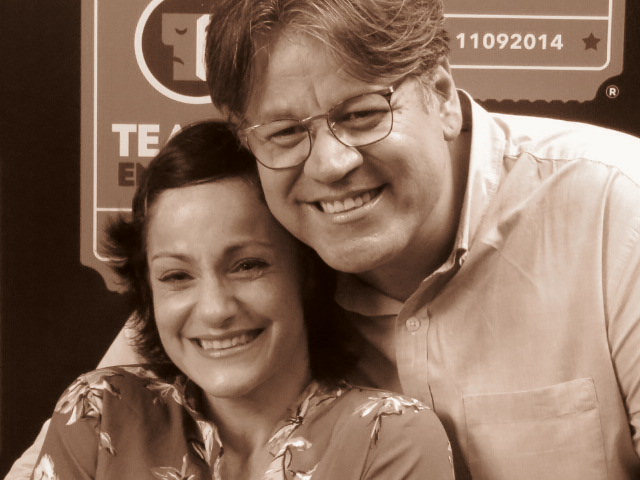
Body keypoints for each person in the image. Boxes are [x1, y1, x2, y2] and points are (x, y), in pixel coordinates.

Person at [8, 0, 640, 479]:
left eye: (363, 114)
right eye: (285, 133)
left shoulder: (617, 208)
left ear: (443, 96)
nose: (332, 164)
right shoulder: (262, 244)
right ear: (250, 144)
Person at [26, 122, 453, 479]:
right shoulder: (98, 411)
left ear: (307, 274)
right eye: (177, 276)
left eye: (247, 266)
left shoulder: (389, 436)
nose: (215, 309)